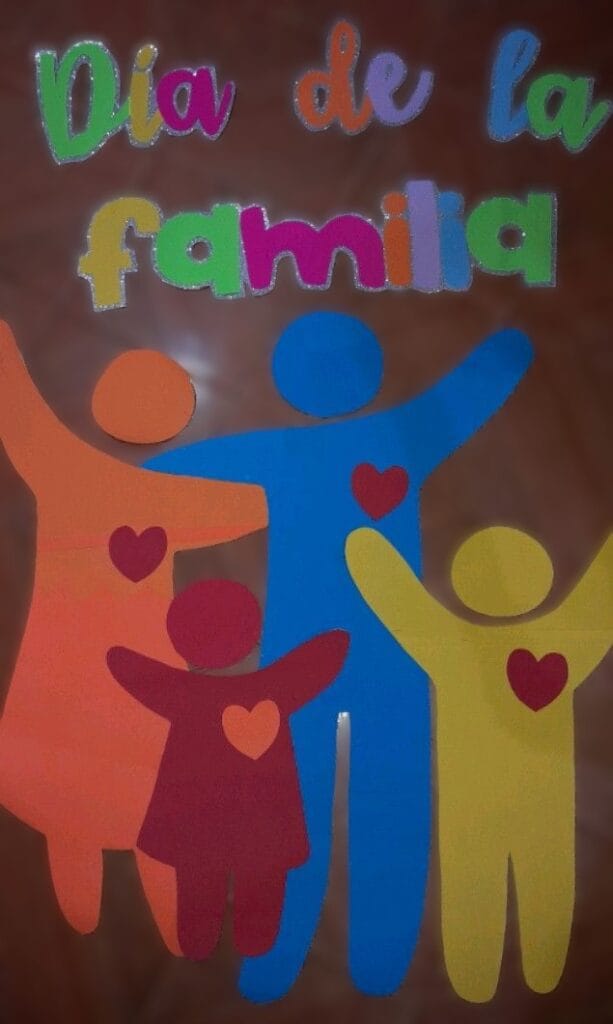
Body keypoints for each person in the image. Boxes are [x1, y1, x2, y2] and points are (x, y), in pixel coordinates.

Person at [143, 311, 534, 999]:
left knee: (293, 802)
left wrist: (120, 483)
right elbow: (470, 391)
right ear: (369, 373)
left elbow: (174, 472)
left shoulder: (281, 452)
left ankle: (278, 951)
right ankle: (372, 951)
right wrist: (509, 346)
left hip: (303, 656)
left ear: (287, 383)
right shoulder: (399, 436)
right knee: (387, 790)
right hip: (386, 650)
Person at [0, 322, 267, 949]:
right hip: (140, 681)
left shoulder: (66, 469)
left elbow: (20, 412)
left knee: (68, 801)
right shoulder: (165, 498)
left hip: (59, 670)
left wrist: (5, 345)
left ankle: (92, 912)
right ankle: (168, 928)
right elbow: (258, 504)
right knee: (151, 803)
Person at [346, 524, 613, 1002]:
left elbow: (402, 603)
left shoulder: (450, 646)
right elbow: (599, 597)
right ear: (541, 578)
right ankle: (537, 969)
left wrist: (369, 550)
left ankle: (478, 975)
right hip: (543, 797)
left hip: (472, 800)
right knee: (544, 873)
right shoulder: (565, 642)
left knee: (476, 876)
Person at [107, 578, 349, 959]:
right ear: (252, 634)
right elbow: (325, 655)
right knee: (261, 874)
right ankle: (253, 939)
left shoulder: (184, 694)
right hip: (264, 820)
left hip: (197, 821)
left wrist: (118, 654)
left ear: (182, 641)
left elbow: (131, 670)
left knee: (199, 875)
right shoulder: (275, 687)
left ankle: (202, 939)